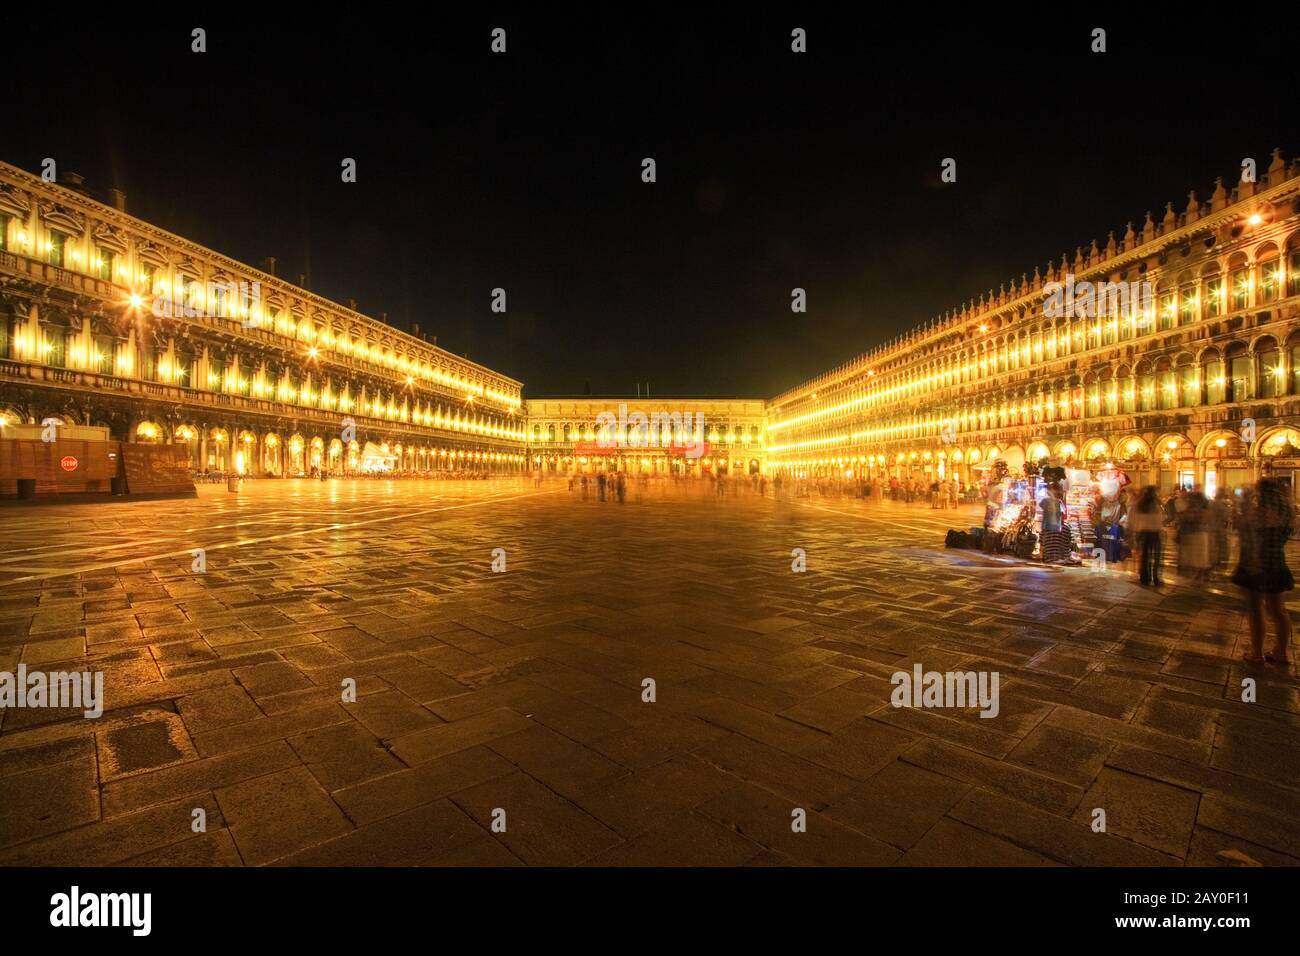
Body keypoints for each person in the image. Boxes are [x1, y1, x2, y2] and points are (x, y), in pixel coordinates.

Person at [1233, 479, 1294, 664]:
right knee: (1278, 610)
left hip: (1254, 561)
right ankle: (1281, 652)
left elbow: (1248, 530)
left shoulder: (1257, 505)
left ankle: (1256, 653)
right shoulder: (1286, 507)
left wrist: (1241, 510)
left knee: (1255, 608)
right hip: (1277, 561)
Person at [1130, 485, 1165, 585]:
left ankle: (1145, 577)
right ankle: (1156, 578)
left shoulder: (1140, 504)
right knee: (1156, 556)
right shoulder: (1155, 504)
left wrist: (1135, 531)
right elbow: (1160, 517)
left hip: (1143, 532)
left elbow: (1133, 519)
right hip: (1154, 532)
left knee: (1145, 556)